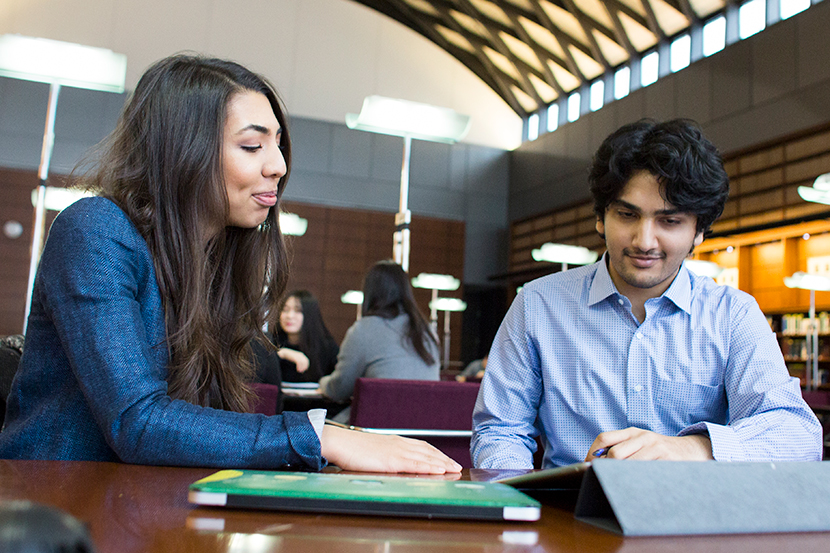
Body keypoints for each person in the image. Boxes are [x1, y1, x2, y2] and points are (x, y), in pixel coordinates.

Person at [0, 54, 460, 475]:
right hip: (57, 509)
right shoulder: (96, 230)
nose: (278, 165)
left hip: (149, 502)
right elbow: (136, 421)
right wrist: (321, 437)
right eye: (251, 146)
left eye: (277, 144)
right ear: (183, 151)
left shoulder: (216, 259)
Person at [472, 119, 823, 469]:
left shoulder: (733, 315)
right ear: (601, 218)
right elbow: (500, 430)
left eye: (669, 221)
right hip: (569, 512)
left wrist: (695, 448)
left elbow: (796, 434)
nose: (644, 241)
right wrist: (522, 503)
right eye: (627, 214)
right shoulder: (538, 305)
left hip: (693, 515)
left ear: (698, 232)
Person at [319, 260, 440, 422]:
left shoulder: (364, 329)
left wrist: (322, 382)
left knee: (317, 430)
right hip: (425, 429)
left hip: (379, 430)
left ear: (369, 292)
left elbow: (339, 389)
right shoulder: (426, 331)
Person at [255, 290, 339, 384]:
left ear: (310, 315)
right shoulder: (270, 342)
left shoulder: (327, 346)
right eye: (285, 310)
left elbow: (337, 383)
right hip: (280, 398)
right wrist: (283, 353)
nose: (290, 316)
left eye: (298, 310)